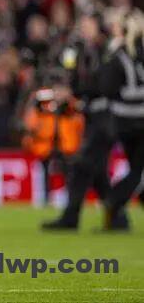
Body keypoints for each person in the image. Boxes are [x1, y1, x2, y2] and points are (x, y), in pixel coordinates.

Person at [42, 14, 116, 230]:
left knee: (83, 165)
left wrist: (73, 91)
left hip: (106, 116)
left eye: (88, 25)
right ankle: (117, 217)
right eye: (81, 25)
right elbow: (73, 77)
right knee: (96, 171)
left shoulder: (106, 51)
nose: (83, 29)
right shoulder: (81, 51)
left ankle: (71, 217)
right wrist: (66, 89)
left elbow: (103, 84)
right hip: (94, 116)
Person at [99, 9, 144, 231]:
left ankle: (116, 213)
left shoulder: (117, 54)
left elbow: (106, 88)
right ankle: (114, 199)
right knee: (138, 170)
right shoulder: (136, 54)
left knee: (136, 167)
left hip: (122, 122)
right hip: (139, 120)